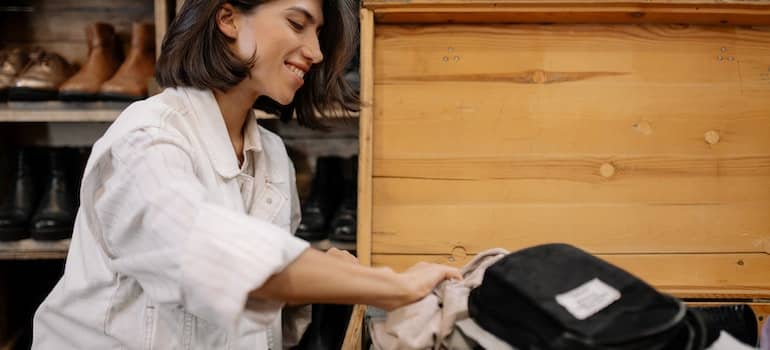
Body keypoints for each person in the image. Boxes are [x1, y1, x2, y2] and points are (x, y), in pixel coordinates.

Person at [31, 0, 461, 348]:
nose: (315, 51)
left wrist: (309, 282)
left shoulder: (272, 157)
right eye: (297, 23)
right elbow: (207, 256)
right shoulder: (147, 140)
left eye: (317, 34)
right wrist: (387, 285)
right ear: (228, 18)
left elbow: (254, 318)